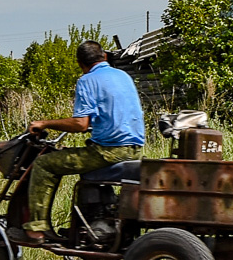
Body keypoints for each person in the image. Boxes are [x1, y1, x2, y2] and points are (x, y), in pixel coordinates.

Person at [10, 40, 145, 245]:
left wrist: (45, 123)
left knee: (44, 164)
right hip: (134, 150)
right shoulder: (123, 76)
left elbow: (81, 124)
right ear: (105, 57)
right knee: (76, 160)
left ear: (80, 64)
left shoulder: (87, 80)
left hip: (109, 151)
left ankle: (36, 229)